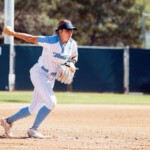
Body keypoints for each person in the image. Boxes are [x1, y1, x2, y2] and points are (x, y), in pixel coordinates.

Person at [0, 20, 78, 138]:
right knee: (51, 102)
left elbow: (74, 56)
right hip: (39, 73)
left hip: (51, 78)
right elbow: (31, 38)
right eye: (67, 30)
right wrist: (13, 33)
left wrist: (71, 63)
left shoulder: (72, 44)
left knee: (33, 108)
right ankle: (33, 129)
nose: (70, 32)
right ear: (60, 31)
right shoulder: (51, 41)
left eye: (72, 30)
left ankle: (7, 121)